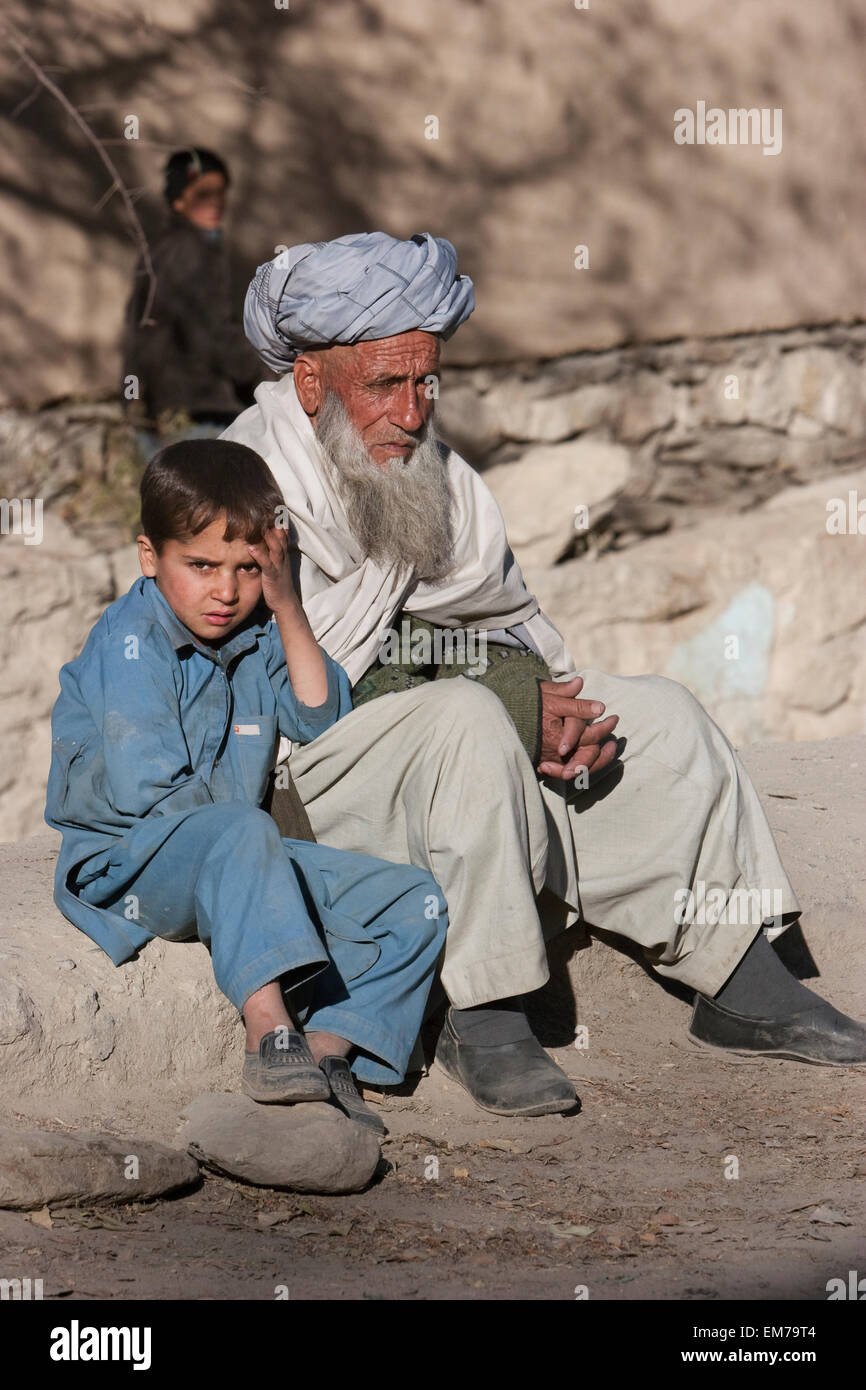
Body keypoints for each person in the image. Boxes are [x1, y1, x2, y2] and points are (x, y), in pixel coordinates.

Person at [219, 231, 866, 1119]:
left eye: (426, 382)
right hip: (314, 765)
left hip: (456, 729)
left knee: (660, 714)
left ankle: (738, 971)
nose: (412, 411)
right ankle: (481, 1010)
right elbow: (304, 680)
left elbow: (497, 618)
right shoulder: (245, 484)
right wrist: (517, 701)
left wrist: (546, 701)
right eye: (384, 386)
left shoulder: (434, 476)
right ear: (310, 382)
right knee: (470, 722)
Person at [44, 438, 448, 1136]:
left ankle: (323, 1057)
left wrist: (287, 605)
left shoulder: (257, 637)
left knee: (416, 901)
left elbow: (321, 717)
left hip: (240, 855)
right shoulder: (130, 643)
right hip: (136, 864)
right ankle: (269, 1034)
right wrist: (261, 869)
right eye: (200, 566)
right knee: (243, 827)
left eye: (246, 569)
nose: (225, 591)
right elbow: (153, 800)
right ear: (150, 558)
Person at [122, 148, 262, 460]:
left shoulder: (163, 249)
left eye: (220, 192)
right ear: (179, 201)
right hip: (198, 411)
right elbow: (214, 330)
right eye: (203, 193)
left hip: (164, 412)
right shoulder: (192, 252)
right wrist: (262, 384)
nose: (215, 202)